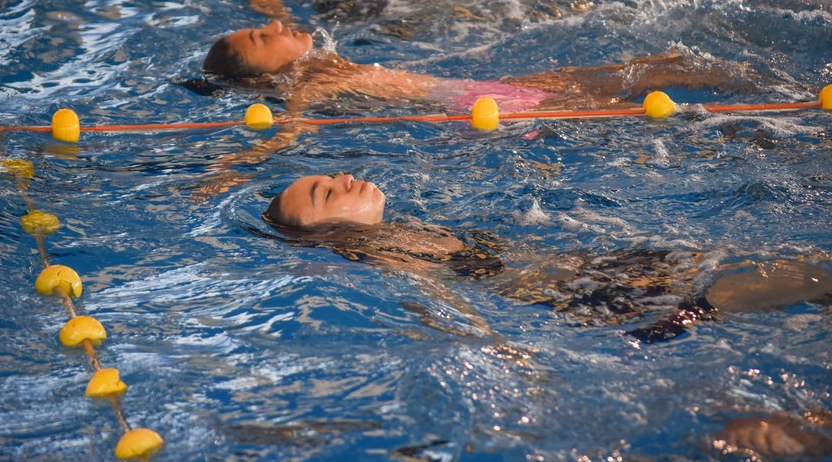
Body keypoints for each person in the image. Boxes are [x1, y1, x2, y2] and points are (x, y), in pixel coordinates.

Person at [195, 20, 764, 197]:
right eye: (263, 37)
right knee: (638, 98)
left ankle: (755, 89)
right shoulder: (311, 82)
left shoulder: (320, 60)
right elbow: (289, 130)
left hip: (490, 87)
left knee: (658, 65)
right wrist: (230, 170)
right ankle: (758, 127)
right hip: (487, 104)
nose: (275, 24)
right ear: (264, 75)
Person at [261, 173, 832, 343]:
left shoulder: (401, 231)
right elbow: (439, 304)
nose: (342, 178)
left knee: (802, 269)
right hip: (595, 297)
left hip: (599, 272)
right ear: (324, 233)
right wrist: (503, 351)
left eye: (329, 176)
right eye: (325, 193)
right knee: (806, 276)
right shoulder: (383, 254)